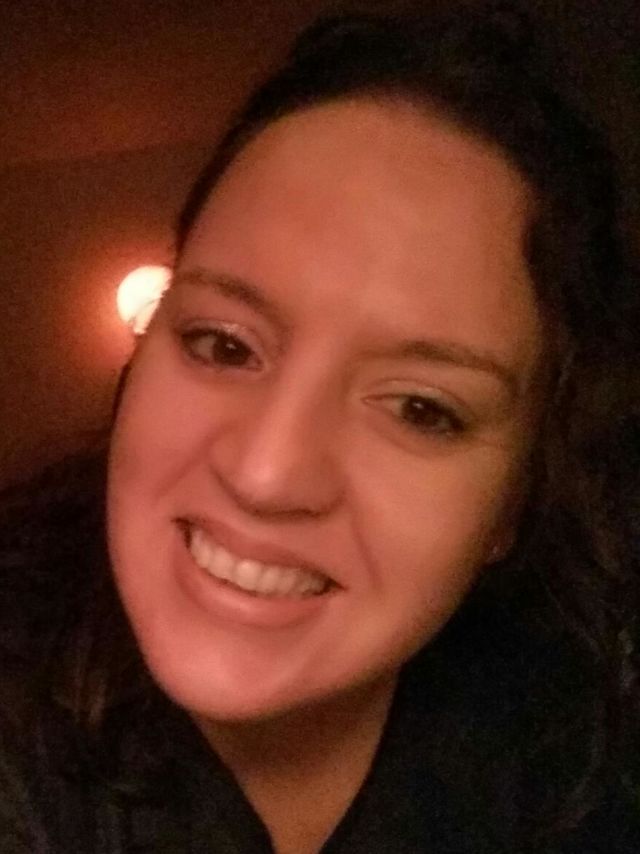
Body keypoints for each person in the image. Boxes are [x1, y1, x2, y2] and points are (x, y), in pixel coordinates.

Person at [1, 3, 639, 852]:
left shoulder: (576, 748)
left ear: (514, 504)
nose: (266, 474)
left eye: (421, 408)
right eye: (224, 344)